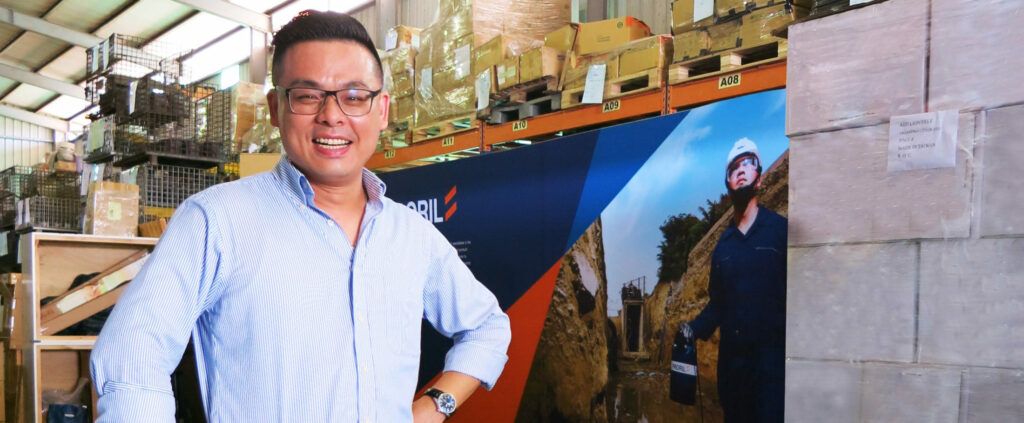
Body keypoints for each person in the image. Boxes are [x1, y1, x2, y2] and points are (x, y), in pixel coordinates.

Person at [90, 11, 511, 423]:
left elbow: (486, 327)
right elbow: (132, 359)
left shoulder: (412, 236)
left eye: (354, 96)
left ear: (382, 110)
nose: (332, 115)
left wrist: (435, 406)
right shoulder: (215, 222)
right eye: (308, 96)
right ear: (276, 108)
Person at [679, 138, 786, 422]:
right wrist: (692, 329)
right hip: (733, 376)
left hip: (771, 375)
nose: (740, 170)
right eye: (734, 167)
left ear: (759, 178)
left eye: (748, 163)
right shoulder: (723, 247)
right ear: (728, 183)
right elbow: (718, 305)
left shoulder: (780, 232)